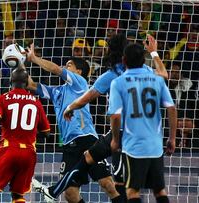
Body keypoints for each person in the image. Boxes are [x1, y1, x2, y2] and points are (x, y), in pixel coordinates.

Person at [32, 34, 168, 202]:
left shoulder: (109, 76)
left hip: (121, 135)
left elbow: (91, 101)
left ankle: (52, 191)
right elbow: (164, 76)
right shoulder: (146, 71)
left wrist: (70, 107)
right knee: (83, 175)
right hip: (148, 134)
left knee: (118, 186)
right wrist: (153, 53)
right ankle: (53, 191)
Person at [25, 44, 121, 203]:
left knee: (107, 184)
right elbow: (31, 85)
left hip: (87, 139)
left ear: (79, 72)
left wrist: (34, 58)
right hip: (69, 145)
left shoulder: (80, 83)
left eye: (69, 64)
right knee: (70, 193)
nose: (65, 66)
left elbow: (56, 69)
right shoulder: (57, 91)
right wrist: (21, 62)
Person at [109, 43, 177, 203]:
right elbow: (172, 108)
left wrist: (115, 139)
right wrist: (172, 138)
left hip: (134, 146)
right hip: (155, 145)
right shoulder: (157, 80)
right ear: (143, 61)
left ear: (124, 60)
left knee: (132, 191)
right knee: (160, 191)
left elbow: (116, 116)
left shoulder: (118, 82)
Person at [0, 68, 51, 203]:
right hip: (29, 154)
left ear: (10, 80)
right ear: (27, 82)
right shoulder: (36, 102)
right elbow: (46, 133)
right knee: (18, 196)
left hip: (8, 150)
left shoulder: (2, 98)